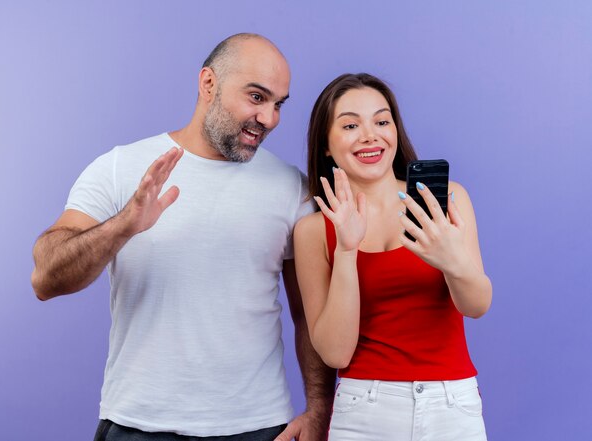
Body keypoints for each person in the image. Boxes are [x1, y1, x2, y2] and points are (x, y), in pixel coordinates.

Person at [31, 33, 336, 441]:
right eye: (256, 97)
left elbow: (308, 316)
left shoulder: (289, 188)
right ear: (208, 83)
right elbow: (46, 278)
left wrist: (320, 410)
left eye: (278, 104)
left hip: (258, 428)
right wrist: (124, 225)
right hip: (138, 426)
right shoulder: (122, 168)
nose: (270, 118)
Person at [294, 73, 492, 440]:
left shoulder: (448, 201)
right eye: (351, 125)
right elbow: (336, 353)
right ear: (326, 144)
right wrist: (347, 250)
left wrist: (450, 258)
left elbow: (477, 305)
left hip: (452, 406)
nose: (370, 135)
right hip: (363, 410)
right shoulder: (312, 232)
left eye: (382, 121)